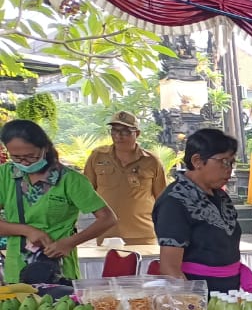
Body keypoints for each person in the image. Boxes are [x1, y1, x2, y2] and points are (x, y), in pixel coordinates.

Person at [0, 119, 116, 284]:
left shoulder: (70, 180)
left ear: (45, 148)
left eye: (30, 156)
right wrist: (27, 230)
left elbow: (108, 218)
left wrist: (69, 243)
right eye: (16, 158)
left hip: (59, 270)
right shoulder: (5, 175)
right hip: (16, 270)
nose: (24, 163)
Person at [154, 128, 250, 294]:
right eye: (224, 161)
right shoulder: (175, 201)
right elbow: (170, 268)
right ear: (197, 161)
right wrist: (192, 307)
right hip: (198, 296)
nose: (229, 169)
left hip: (229, 294)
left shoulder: (221, 195)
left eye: (231, 163)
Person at [83, 110, 167, 245]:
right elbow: (85, 192)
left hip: (142, 234)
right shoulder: (97, 156)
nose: (118, 136)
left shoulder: (151, 161)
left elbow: (163, 200)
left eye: (125, 131)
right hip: (106, 233)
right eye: (114, 131)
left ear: (137, 133)